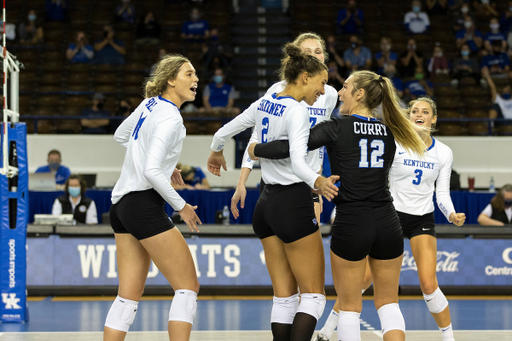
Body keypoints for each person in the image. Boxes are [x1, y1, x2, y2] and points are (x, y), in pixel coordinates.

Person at [251, 70, 428, 341]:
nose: (339, 93)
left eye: (345, 87)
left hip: (352, 222)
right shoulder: (392, 130)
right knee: (389, 304)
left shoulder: (336, 127)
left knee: (349, 308)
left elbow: (290, 148)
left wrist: (255, 149)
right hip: (388, 221)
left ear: (359, 94)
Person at [207, 43, 339, 341]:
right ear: (305, 77)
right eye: (322, 83)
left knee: (284, 297)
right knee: (314, 297)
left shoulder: (264, 102)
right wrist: (317, 182)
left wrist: (216, 152)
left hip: (265, 205)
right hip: (293, 203)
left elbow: (222, 133)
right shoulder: (297, 112)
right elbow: (297, 160)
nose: (323, 90)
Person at [312, 97, 467, 341]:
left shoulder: (443, 152)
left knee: (428, 284)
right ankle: (327, 330)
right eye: (414, 110)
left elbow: (442, 193)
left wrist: (451, 214)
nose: (419, 114)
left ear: (433, 118)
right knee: (360, 282)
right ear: (408, 116)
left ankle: (449, 337)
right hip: (389, 215)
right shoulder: (394, 141)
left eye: (425, 112)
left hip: (421, 219)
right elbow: (372, 176)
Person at [104, 54, 201, 341]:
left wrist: (166, 166)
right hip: (144, 205)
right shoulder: (171, 117)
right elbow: (150, 170)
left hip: (121, 205)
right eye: (189, 74)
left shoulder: (150, 103)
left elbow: (122, 136)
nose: (196, 79)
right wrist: (181, 206)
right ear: (171, 79)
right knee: (187, 287)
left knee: (128, 296)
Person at [230, 32, 338, 227]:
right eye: (307, 52)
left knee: (304, 252)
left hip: (309, 183)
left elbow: (320, 143)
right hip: (278, 181)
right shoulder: (278, 90)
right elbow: (257, 136)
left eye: (318, 51)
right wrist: (241, 183)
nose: (314, 56)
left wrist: (317, 179)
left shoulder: (329, 94)